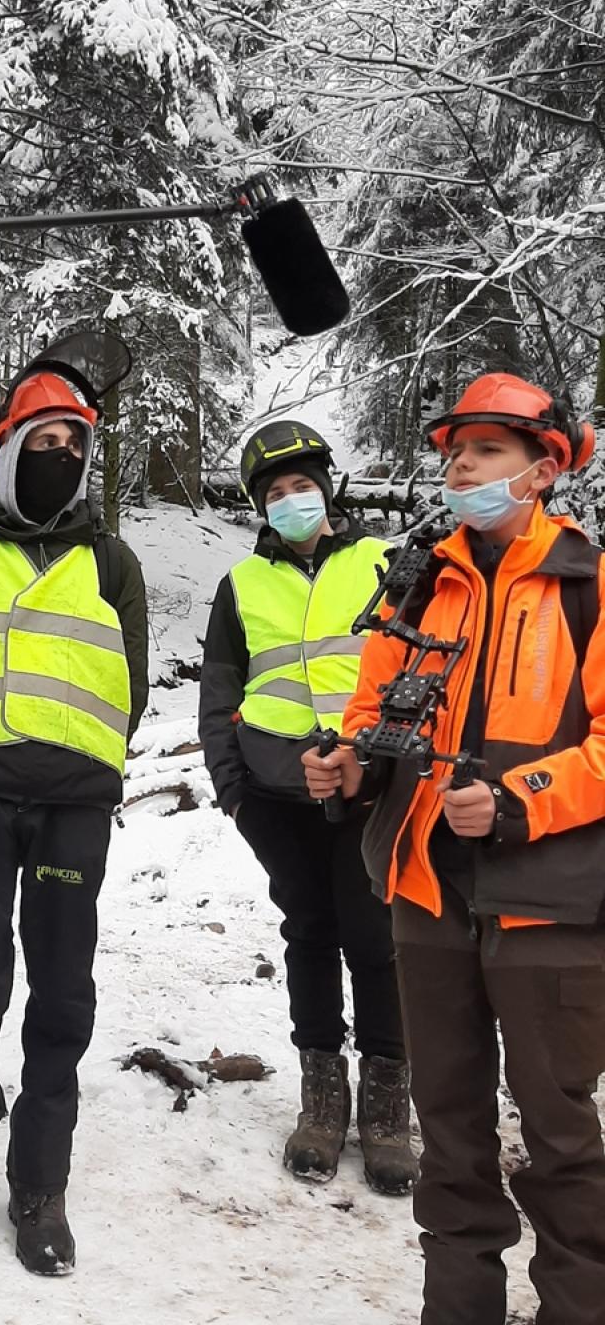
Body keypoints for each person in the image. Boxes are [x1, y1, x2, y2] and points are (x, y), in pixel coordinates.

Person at [303, 374, 605, 1325]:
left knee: (563, 1146)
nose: (463, 470)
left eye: (486, 451)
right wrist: (344, 765)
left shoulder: (589, 585)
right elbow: (376, 718)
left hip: (550, 905)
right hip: (427, 891)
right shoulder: (420, 587)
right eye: (455, 452)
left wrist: (520, 798)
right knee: (449, 1127)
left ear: (544, 463)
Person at [0, 339, 148, 1279]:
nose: (63, 453)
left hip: (75, 802)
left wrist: (86, 755)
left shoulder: (115, 562)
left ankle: (40, 1184)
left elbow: (125, 678)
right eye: (45, 437)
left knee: (62, 990)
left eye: (76, 442)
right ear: (6, 448)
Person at [199, 420, 413, 1192]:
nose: (291, 501)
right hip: (275, 796)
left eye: (302, 486)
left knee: (374, 938)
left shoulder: (383, 565)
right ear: (260, 506)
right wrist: (232, 788)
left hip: (367, 791)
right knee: (309, 936)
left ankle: (388, 1109)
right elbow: (221, 688)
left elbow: (415, 676)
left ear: (329, 487)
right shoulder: (242, 585)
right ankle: (323, 1100)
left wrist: (381, 765)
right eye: (275, 493)